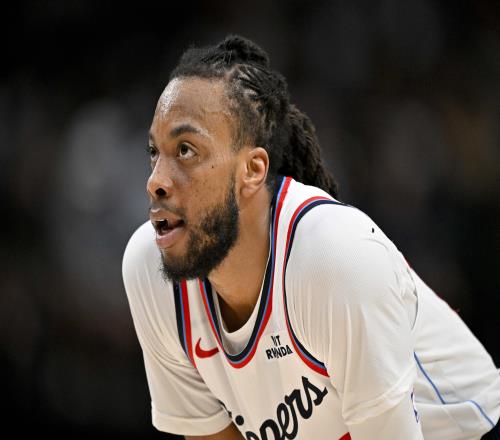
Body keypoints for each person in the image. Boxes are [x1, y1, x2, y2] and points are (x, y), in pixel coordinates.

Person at [122, 35, 500, 440]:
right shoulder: (152, 269)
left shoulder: (334, 258)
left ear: (252, 170)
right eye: (154, 152)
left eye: (185, 150)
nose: (155, 180)